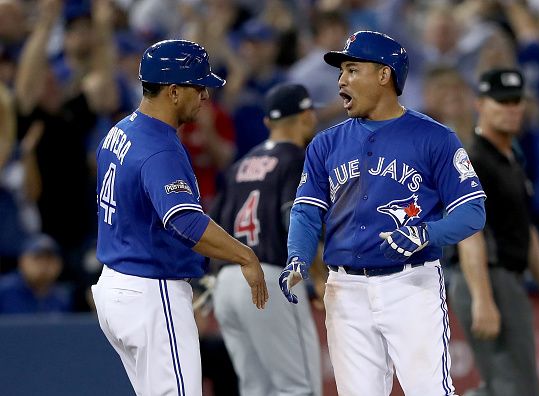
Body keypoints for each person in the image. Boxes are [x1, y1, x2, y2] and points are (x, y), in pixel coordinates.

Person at [279, 30, 487, 396]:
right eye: (342, 71)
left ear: (384, 75)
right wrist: (297, 255)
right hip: (345, 288)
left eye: (352, 69)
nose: (341, 80)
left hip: (410, 285)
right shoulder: (326, 143)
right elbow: (306, 210)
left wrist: (428, 233)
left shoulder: (434, 137)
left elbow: (473, 211)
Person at [91, 39, 268, 396]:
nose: (205, 95)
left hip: (117, 284)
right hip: (150, 290)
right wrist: (244, 255)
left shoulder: (120, 130)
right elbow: (185, 222)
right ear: (173, 91)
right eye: (198, 86)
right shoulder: (160, 147)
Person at [447, 68, 539, 396]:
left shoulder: (510, 159)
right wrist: (483, 298)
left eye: (516, 101)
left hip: (505, 276)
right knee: (513, 388)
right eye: (501, 101)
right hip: (485, 275)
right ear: (480, 105)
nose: (511, 108)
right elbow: (469, 233)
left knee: (513, 387)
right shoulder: (474, 160)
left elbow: (525, 229)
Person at [212, 83, 322, 396]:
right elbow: (296, 220)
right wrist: (318, 275)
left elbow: (213, 225)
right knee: (298, 388)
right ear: (307, 116)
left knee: (255, 388)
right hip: (270, 278)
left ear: (267, 123)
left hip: (228, 284)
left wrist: (210, 279)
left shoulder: (240, 166)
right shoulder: (297, 159)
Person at [0, 233, 72, 314]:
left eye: (49, 259)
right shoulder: (4, 290)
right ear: (22, 261)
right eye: (37, 258)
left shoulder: (62, 297)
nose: (44, 265)